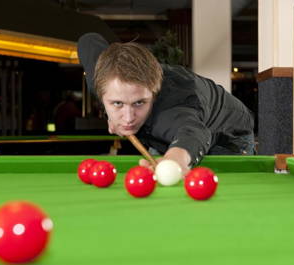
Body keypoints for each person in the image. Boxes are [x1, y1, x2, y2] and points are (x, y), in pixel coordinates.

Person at [78, 33, 255, 175]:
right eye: (117, 103)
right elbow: (88, 40)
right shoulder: (102, 75)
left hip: (228, 136)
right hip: (178, 129)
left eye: (139, 102)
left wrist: (175, 160)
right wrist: (110, 113)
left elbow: (193, 132)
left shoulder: (171, 110)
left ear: (153, 95)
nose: (128, 118)